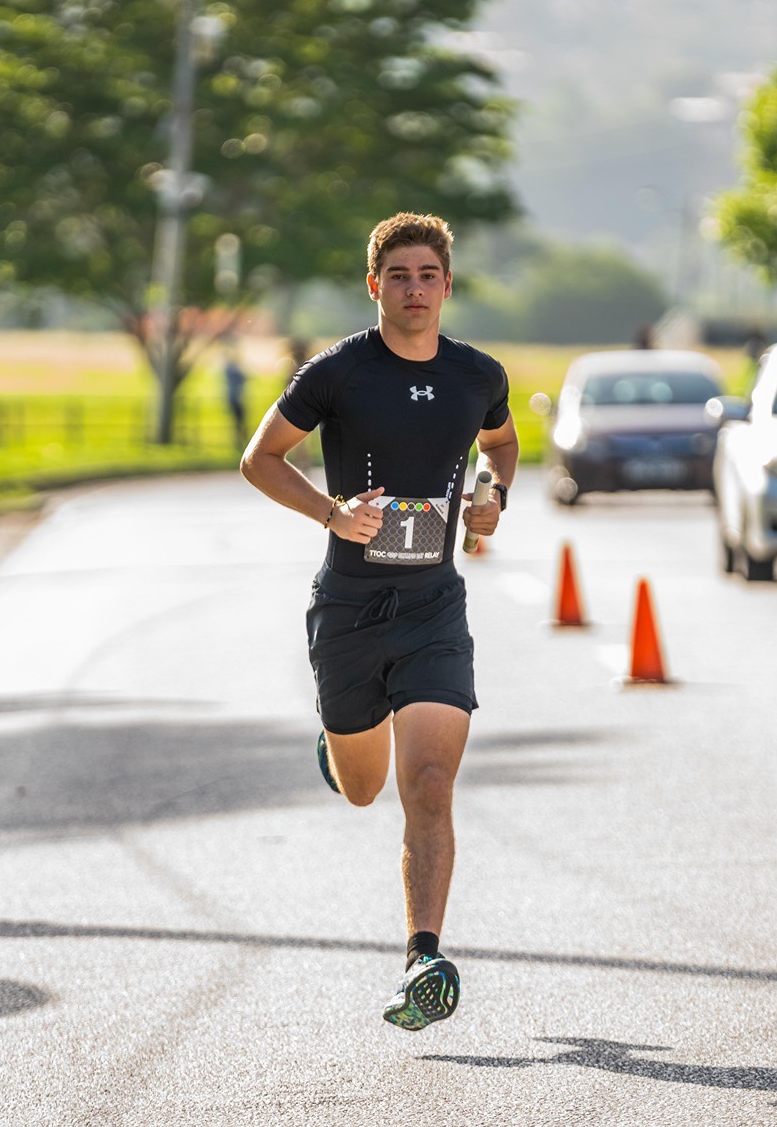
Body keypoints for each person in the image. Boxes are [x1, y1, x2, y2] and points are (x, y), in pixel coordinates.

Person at [239, 212, 517, 1031]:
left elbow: (501, 444)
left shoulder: (477, 374)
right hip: (351, 610)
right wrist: (331, 512)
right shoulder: (338, 371)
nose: (414, 289)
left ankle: (421, 957)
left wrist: (494, 495)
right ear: (374, 286)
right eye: (398, 276)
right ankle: (337, 750)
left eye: (427, 275)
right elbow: (259, 459)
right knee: (363, 788)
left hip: (434, 606)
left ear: (447, 285)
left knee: (427, 782)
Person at [222, 342, 249, 446]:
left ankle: (240, 439)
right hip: (236, 398)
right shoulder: (232, 369)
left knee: (240, 420)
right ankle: (241, 439)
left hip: (235, 397)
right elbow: (244, 377)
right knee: (239, 420)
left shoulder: (230, 368)